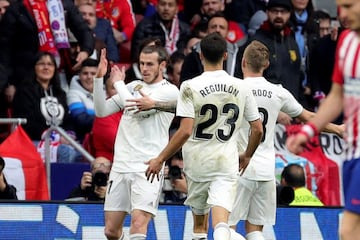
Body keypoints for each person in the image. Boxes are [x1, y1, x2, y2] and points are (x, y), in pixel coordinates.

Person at [145, 32, 263, 240]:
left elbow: (185, 130)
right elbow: (257, 129)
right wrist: (247, 155)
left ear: (200, 56)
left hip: (197, 163)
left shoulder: (190, 86)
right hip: (226, 161)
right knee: (221, 223)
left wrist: (160, 158)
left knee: (200, 223)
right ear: (225, 56)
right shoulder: (241, 86)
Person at [228, 40, 342, 240]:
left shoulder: (233, 88)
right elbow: (310, 118)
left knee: (226, 228)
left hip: (239, 166)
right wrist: (338, 129)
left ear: (243, 62)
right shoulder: (278, 91)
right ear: (266, 65)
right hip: (266, 172)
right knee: (255, 231)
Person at [286, 0, 360, 239]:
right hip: (354, 152)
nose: (342, 14)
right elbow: (337, 95)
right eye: (341, 7)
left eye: (349, 6)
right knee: (348, 230)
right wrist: (309, 130)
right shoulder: (347, 43)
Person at [93, 46, 179, 239]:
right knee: (111, 231)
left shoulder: (170, 91)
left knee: (138, 224)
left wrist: (118, 84)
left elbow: (135, 108)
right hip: (121, 165)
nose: (144, 68)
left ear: (162, 65)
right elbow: (101, 111)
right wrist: (98, 79)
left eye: (150, 64)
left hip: (148, 167)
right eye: (142, 63)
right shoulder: (132, 87)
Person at [0, 0, 95, 104]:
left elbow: (85, 31)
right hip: (25, 75)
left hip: (58, 72)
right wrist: (9, 83)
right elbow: (4, 48)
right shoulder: (18, 7)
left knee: (60, 111)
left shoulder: (64, 4)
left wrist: (85, 51)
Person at [12, 52, 81, 163]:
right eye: (41, 64)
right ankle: (57, 181)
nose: (46, 67)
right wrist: (55, 137)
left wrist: (69, 134)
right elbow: (27, 123)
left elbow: (68, 119)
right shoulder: (24, 92)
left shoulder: (60, 93)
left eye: (50, 64)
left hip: (59, 140)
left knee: (81, 153)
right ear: (34, 68)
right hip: (33, 140)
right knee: (66, 152)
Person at [234, 0, 304, 107]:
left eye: (283, 12)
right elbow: (245, 83)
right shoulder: (255, 43)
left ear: (290, 14)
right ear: (267, 13)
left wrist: (299, 107)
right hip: (264, 112)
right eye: (274, 11)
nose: (279, 15)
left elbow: (297, 78)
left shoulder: (291, 40)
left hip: (292, 111)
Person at [180, 12, 246, 82]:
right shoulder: (193, 57)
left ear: (227, 32)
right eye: (213, 27)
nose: (217, 30)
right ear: (207, 31)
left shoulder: (238, 57)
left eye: (222, 27)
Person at [67, 58, 99, 142]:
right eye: (85, 73)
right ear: (79, 75)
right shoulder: (72, 94)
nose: (89, 77)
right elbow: (81, 120)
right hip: (83, 142)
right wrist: (107, 119)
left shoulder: (105, 91)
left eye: (93, 73)